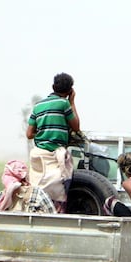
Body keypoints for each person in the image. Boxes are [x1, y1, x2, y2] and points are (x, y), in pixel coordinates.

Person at [26, 72, 83, 213]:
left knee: (38, 190)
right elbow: (76, 126)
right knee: (60, 192)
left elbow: (29, 134)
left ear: (53, 87)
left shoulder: (38, 106)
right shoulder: (64, 103)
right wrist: (72, 101)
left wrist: (43, 133)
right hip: (56, 156)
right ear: (70, 90)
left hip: (38, 155)